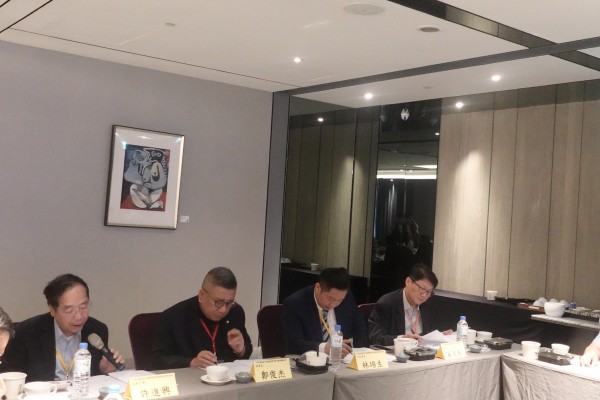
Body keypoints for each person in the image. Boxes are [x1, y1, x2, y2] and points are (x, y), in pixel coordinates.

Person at [0, 274, 124, 381]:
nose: (79, 316)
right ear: (52, 309)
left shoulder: (97, 330)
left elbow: (94, 382)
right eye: (69, 310)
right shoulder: (26, 333)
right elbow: (9, 379)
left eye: (83, 307)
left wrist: (105, 372)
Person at [152, 267, 253, 369]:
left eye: (229, 302)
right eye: (219, 302)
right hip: (189, 377)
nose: (223, 310)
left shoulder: (235, 312)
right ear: (201, 295)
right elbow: (157, 360)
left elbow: (247, 348)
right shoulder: (173, 317)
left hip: (229, 376)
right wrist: (191, 362)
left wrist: (241, 350)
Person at [282, 267, 368, 357]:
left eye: (339, 300)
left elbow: (361, 329)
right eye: (330, 299)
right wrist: (324, 348)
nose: (334, 304)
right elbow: (293, 344)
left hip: (342, 359)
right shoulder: (295, 304)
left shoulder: (346, 298)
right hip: (311, 360)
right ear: (318, 288)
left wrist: (356, 350)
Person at [369, 263, 451, 345]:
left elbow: (427, 332)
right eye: (422, 289)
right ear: (408, 282)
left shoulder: (427, 304)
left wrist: (439, 335)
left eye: (429, 292)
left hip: (421, 350)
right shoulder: (387, 304)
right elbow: (375, 338)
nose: (424, 295)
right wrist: (402, 339)